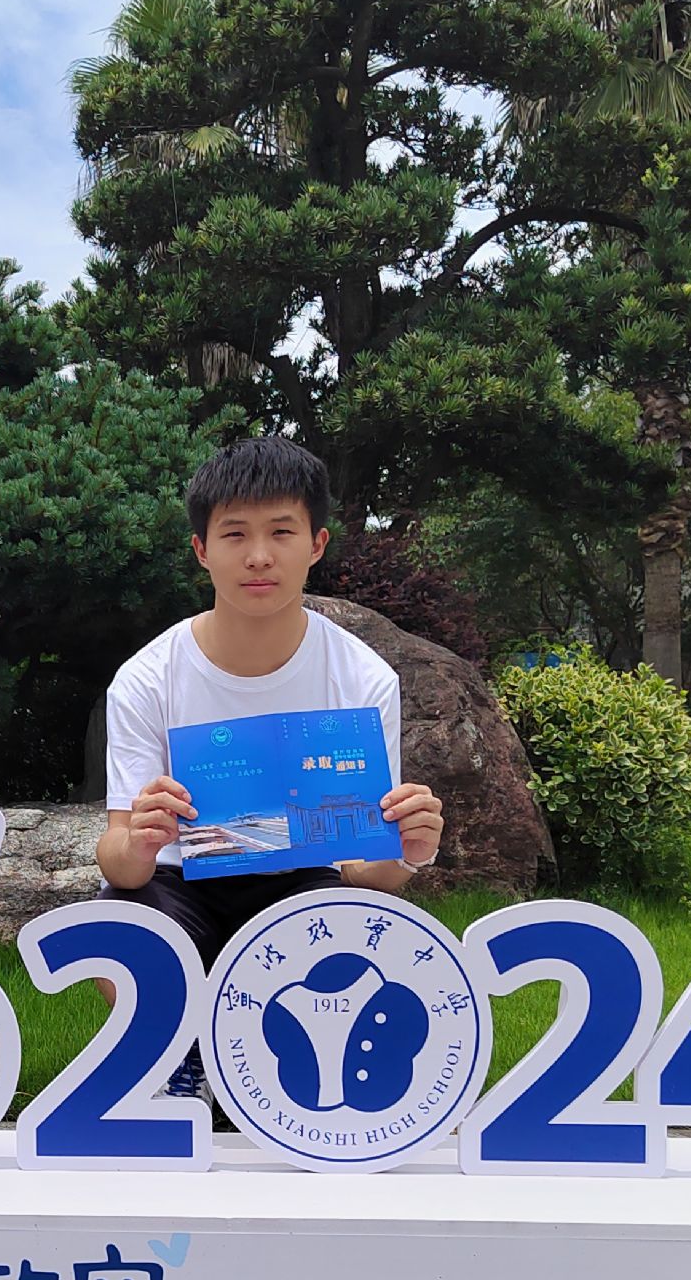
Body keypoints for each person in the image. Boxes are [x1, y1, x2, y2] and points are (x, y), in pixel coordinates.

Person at [96, 436, 445, 1097]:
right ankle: (180, 1060)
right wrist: (138, 841)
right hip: (178, 880)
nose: (259, 555)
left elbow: (365, 875)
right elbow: (119, 864)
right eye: (235, 534)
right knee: (124, 926)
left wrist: (408, 852)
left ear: (317, 544)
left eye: (282, 532)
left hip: (301, 880)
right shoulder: (148, 678)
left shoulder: (362, 678)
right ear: (202, 550)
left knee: (356, 933)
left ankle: (281, 1073)